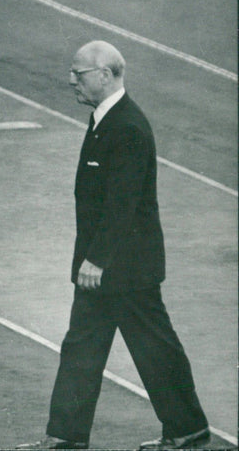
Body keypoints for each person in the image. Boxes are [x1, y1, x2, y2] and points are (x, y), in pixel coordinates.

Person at [18, 41, 210, 450]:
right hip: (108, 267)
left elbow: (122, 204)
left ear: (105, 75)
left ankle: (188, 429)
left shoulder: (126, 127)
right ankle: (67, 436)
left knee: (153, 349)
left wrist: (96, 260)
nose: (71, 80)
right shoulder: (105, 120)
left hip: (123, 268)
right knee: (83, 347)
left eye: (79, 73)